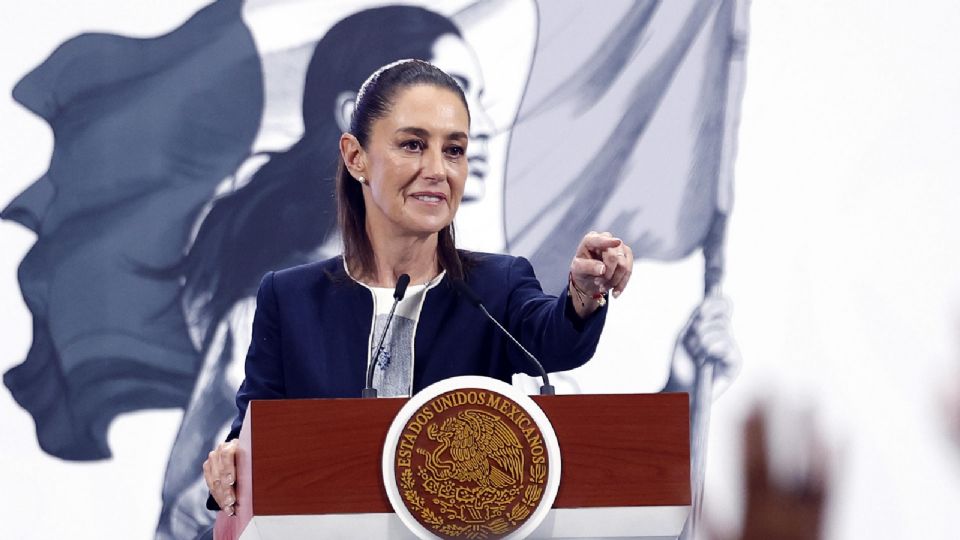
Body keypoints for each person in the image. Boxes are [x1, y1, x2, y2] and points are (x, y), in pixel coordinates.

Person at [201, 58, 634, 516]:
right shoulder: (289, 298)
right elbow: (254, 433)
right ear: (356, 157)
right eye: (412, 145)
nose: (437, 170)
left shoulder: (494, 286)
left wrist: (584, 294)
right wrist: (230, 461)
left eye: (453, 150)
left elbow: (556, 342)